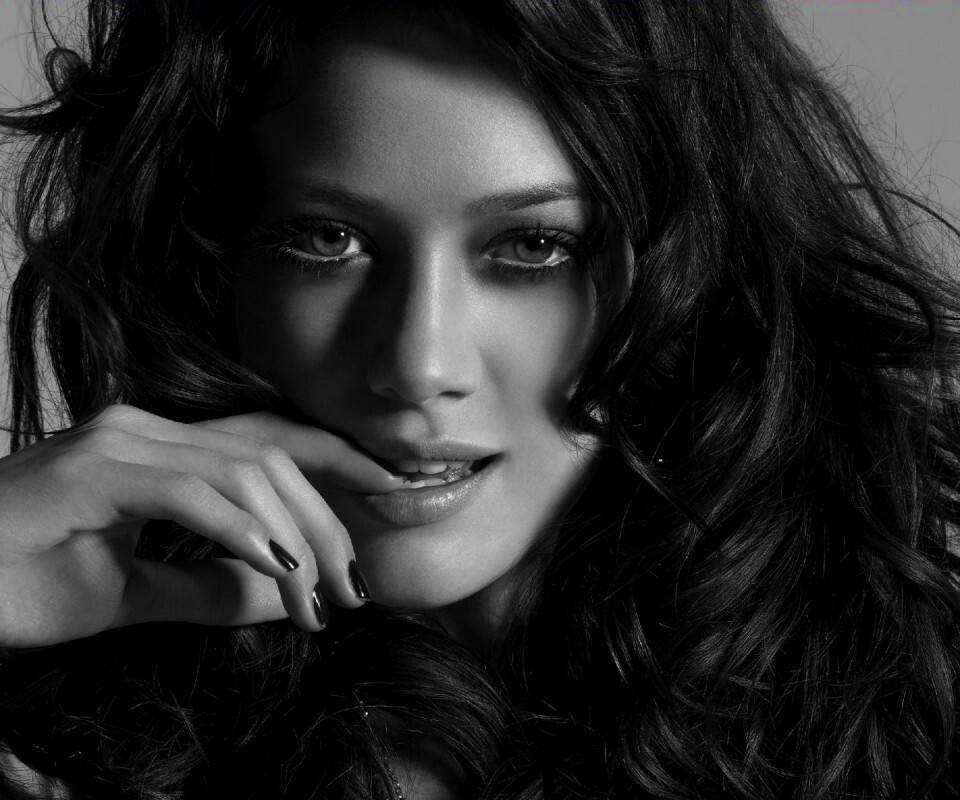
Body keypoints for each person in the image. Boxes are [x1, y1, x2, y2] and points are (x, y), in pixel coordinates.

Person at [1, 0, 959, 797]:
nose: (418, 365)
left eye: (533, 247)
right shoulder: (69, 742)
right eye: (328, 241)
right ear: (214, 272)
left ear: (696, 279)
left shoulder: (913, 719)